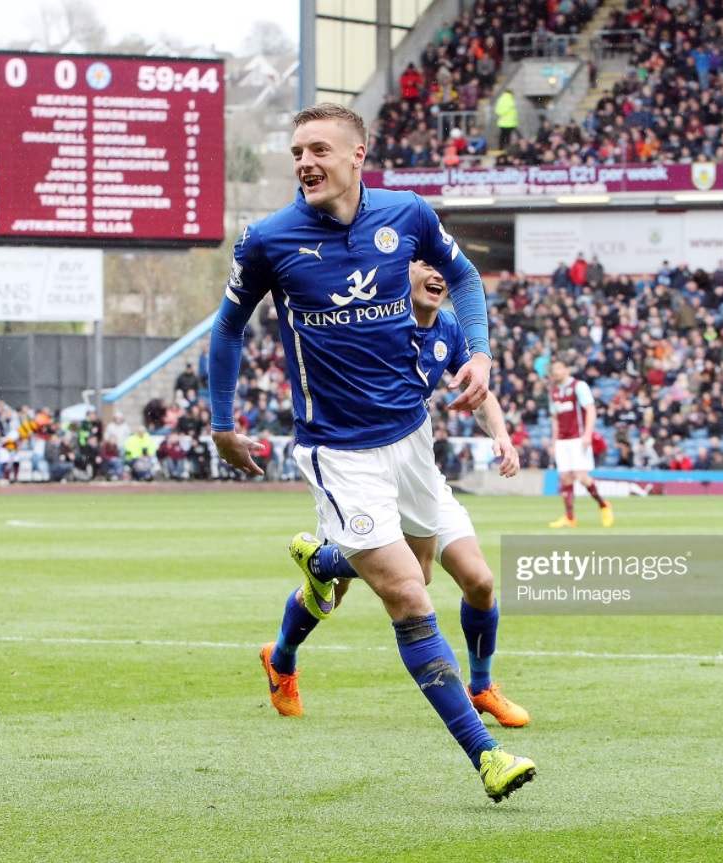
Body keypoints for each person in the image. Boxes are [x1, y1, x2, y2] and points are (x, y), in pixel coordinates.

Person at [208, 103, 533, 801]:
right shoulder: (269, 238)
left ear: (359, 155)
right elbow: (228, 326)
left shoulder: (407, 216)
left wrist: (478, 353)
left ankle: (321, 559)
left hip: (411, 441)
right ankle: (486, 755)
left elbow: (468, 278)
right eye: (296, 151)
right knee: (410, 595)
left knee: (414, 568)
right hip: (338, 452)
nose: (304, 162)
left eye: (319, 149)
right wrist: (220, 420)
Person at [263, 260, 530, 730]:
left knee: (480, 581)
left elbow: (478, 389)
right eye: (425, 262)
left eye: (442, 265)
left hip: (418, 472)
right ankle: (281, 659)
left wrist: (501, 436)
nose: (438, 273)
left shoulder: (447, 325)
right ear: (395, 270)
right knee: (338, 594)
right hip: (362, 472)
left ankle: (482, 686)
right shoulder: (374, 321)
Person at [548, 357, 612, 528]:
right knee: (565, 478)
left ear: (567, 370)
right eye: (554, 369)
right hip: (562, 440)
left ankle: (604, 505)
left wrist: (588, 435)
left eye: (559, 368)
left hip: (578, 437)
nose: (555, 371)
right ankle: (569, 518)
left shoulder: (579, 386)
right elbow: (555, 419)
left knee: (581, 476)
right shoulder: (553, 391)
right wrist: (554, 442)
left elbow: (590, 409)